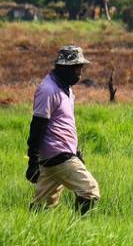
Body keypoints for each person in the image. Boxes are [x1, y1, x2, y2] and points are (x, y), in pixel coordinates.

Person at [25, 45, 100, 215]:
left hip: (57, 156)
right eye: (76, 69)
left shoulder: (66, 88)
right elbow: (37, 126)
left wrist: (76, 151)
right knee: (90, 191)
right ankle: (79, 229)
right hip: (58, 155)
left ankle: (29, 234)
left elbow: (64, 124)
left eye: (81, 69)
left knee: (43, 206)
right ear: (64, 67)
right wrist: (32, 161)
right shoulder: (48, 90)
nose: (80, 74)